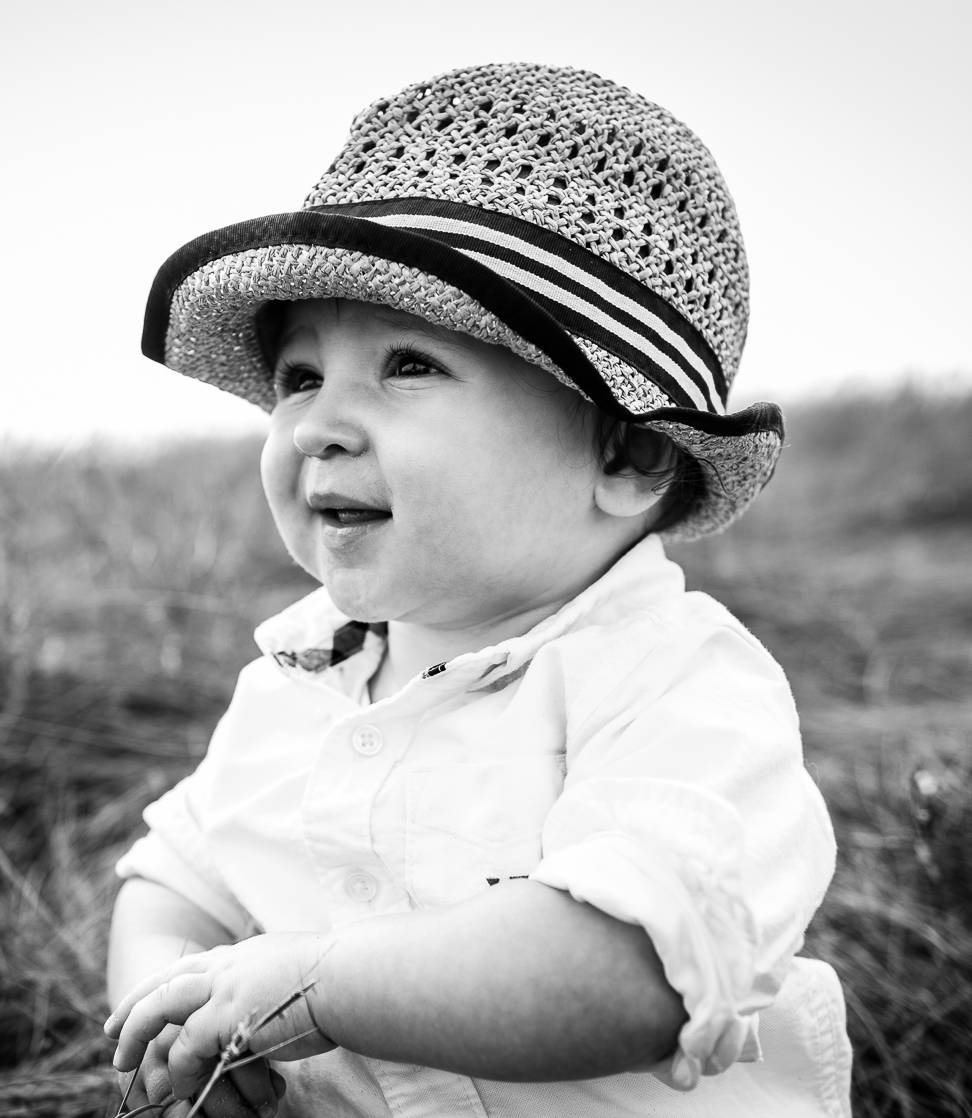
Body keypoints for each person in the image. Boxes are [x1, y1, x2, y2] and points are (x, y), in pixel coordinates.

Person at [102, 63, 850, 1117]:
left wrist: (310, 985)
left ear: (630, 451)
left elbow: (631, 971)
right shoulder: (295, 682)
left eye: (408, 364)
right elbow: (173, 885)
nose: (320, 423)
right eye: (299, 377)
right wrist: (176, 1011)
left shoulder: (676, 686)